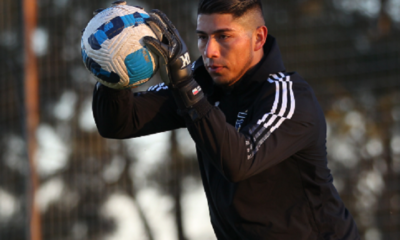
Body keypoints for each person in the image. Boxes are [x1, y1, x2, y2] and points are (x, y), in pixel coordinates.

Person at [92, 0, 360, 239]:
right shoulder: (202, 83)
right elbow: (119, 122)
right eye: (202, 37)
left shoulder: (290, 97)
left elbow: (239, 161)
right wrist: (112, 64)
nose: (209, 51)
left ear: (258, 38)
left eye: (223, 36)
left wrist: (186, 85)